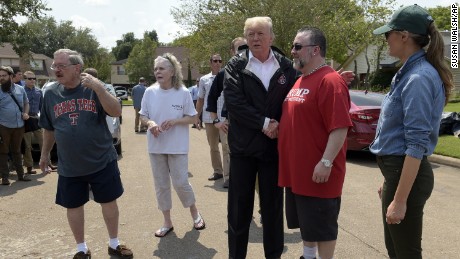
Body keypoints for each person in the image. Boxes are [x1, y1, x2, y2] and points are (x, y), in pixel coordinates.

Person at [370, 5, 453, 259]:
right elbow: (396, 136)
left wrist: (400, 198)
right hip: (397, 174)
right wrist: (389, 181)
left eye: (388, 34)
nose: (386, 39)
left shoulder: (418, 78)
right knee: (396, 251)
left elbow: (416, 144)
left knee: (406, 254)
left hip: (407, 177)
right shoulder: (406, 73)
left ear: (404, 36)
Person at [38, 49, 133, 259]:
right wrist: (45, 154)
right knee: (73, 205)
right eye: (55, 66)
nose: (56, 70)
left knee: (108, 201)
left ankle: (114, 243)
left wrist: (98, 87)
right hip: (69, 165)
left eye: (61, 66)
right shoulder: (51, 93)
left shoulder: (95, 88)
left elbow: (116, 111)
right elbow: (49, 128)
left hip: (101, 160)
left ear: (77, 68)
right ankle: (81, 248)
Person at [223, 17, 299, 259]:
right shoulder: (235, 66)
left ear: (271, 38)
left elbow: (296, 100)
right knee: (239, 210)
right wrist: (265, 123)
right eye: (250, 34)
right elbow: (235, 103)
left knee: (273, 210)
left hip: (273, 151)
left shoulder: (287, 67)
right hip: (243, 150)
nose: (255, 38)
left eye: (260, 34)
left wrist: (280, 126)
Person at [278, 27, 353, 259]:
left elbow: (339, 127)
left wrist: (326, 162)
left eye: (297, 46)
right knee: (307, 224)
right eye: (293, 46)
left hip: (318, 173)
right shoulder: (301, 80)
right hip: (298, 173)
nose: (292, 51)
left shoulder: (331, 81)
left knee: (323, 227)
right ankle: (307, 256)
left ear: (315, 50)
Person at [139, 53, 206, 238]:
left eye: (161, 68)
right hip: (156, 145)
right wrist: (150, 124)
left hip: (177, 146)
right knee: (161, 185)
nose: (157, 72)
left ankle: (194, 212)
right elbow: (143, 115)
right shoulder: (149, 92)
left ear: (172, 71)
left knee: (180, 182)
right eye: (156, 69)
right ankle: (167, 222)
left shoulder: (183, 92)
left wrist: (175, 122)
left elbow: (193, 117)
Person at [206, 37, 245, 188]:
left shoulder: (257, 69)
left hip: (253, 123)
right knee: (228, 149)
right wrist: (216, 121)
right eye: (239, 48)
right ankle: (228, 177)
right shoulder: (224, 73)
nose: (243, 52)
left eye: (246, 48)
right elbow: (211, 97)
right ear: (232, 51)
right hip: (231, 121)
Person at [196, 53, 227, 181]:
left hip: (225, 117)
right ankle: (218, 171)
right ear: (210, 62)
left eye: (220, 61)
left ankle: (228, 175)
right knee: (213, 147)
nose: (217, 63)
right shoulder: (204, 79)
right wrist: (196, 116)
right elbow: (200, 99)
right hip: (210, 118)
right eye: (215, 60)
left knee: (226, 146)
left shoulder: (228, 76)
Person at [0, 66, 32, 185]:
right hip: (3, 126)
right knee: (3, 152)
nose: (1, 78)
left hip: (19, 125)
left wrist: (26, 113)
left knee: (17, 151)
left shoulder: (20, 89)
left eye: (4, 75)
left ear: (11, 76)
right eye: (0, 76)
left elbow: (26, 103)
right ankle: (5, 178)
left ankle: (21, 175)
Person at [22, 70, 57, 174]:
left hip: (37, 119)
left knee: (44, 142)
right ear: (24, 80)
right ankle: (29, 166)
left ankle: (48, 163)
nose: (32, 80)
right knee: (27, 145)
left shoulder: (38, 91)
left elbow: (42, 107)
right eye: (29, 78)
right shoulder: (21, 91)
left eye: (34, 78)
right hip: (25, 120)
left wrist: (45, 119)